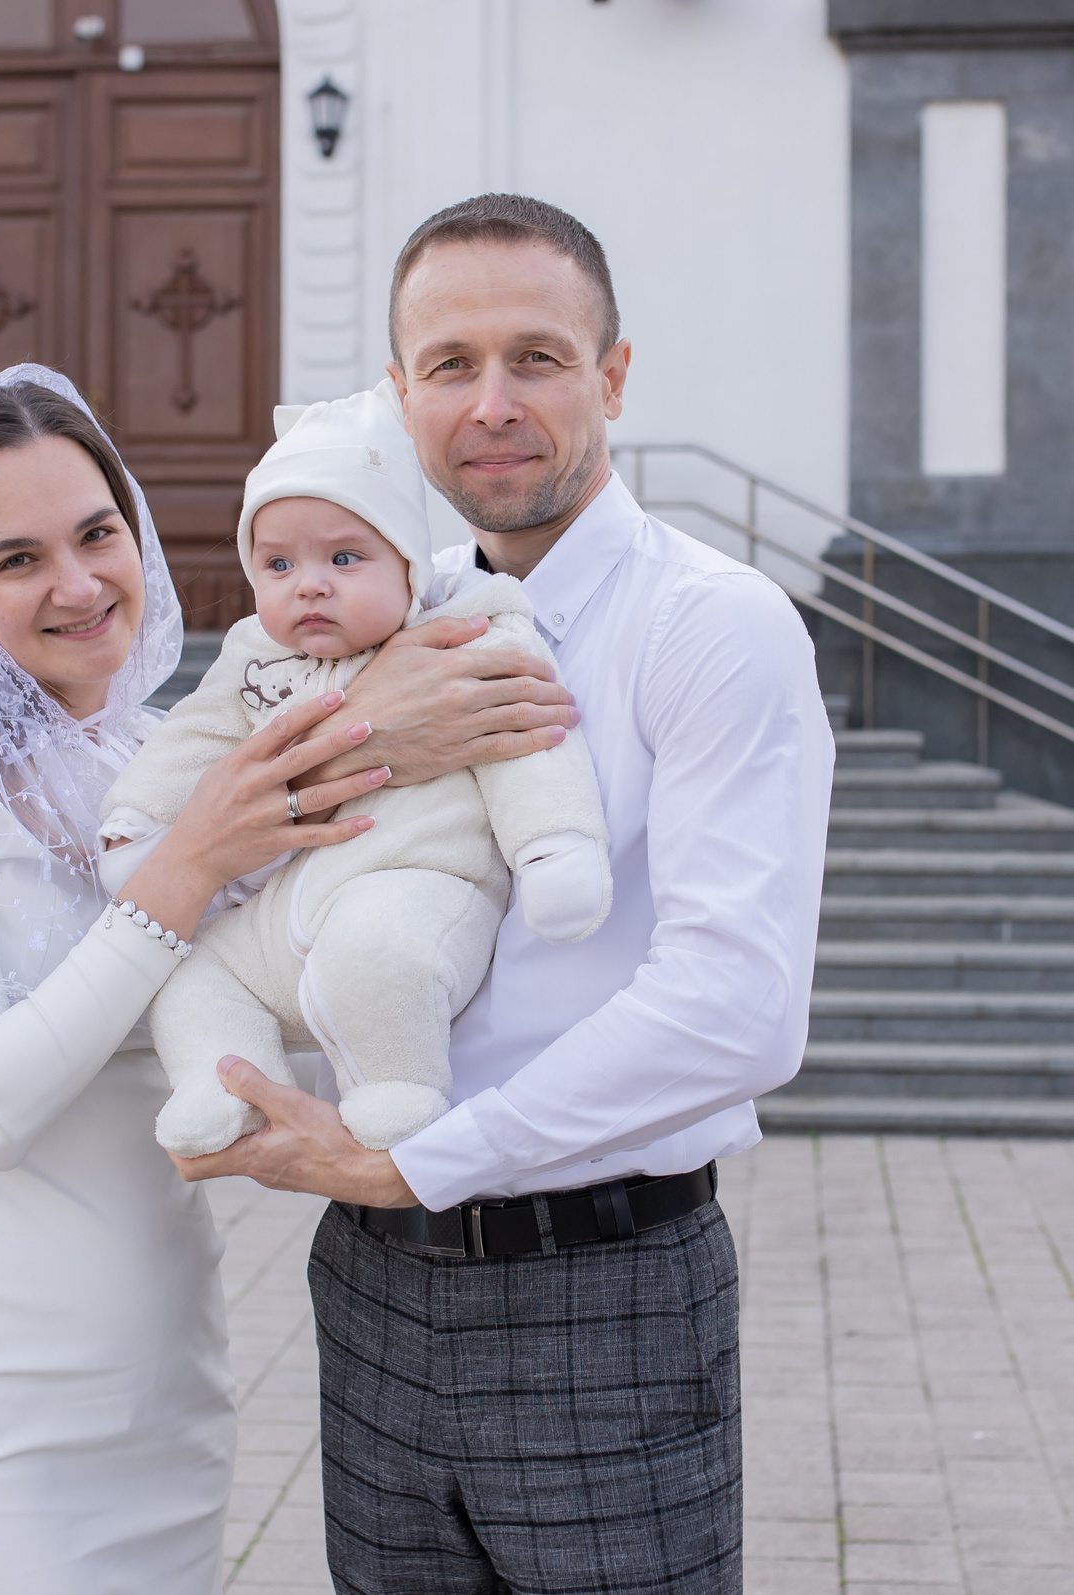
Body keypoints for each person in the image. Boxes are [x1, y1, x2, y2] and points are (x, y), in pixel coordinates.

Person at [0, 362, 576, 1595]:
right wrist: (195, 859)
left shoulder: (158, 750)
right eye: (16, 559)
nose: (81, 583)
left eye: (98, 533)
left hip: (170, 1391)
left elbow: (291, 987)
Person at [176, 196, 836, 1592]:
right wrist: (366, 735)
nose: (492, 403)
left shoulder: (711, 623)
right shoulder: (359, 612)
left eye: (537, 356)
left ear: (613, 374)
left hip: (601, 1290)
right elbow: (205, 834)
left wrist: (421, 1160)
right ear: (399, 393)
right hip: (369, 1280)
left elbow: (739, 1008)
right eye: (449, 363)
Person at [100, 382, 610, 1158]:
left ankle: (395, 1085)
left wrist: (555, 844)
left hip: (413, 882)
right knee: (190, 970)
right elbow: (193, 739)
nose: (309, 583)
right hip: (281, 923)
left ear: (408, 564)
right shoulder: (254, 657)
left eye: (344, 557)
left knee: (378, 950)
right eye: (277, 563)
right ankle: (223, 1084)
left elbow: (530, 736)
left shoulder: (465, 632)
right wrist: (138, 821)